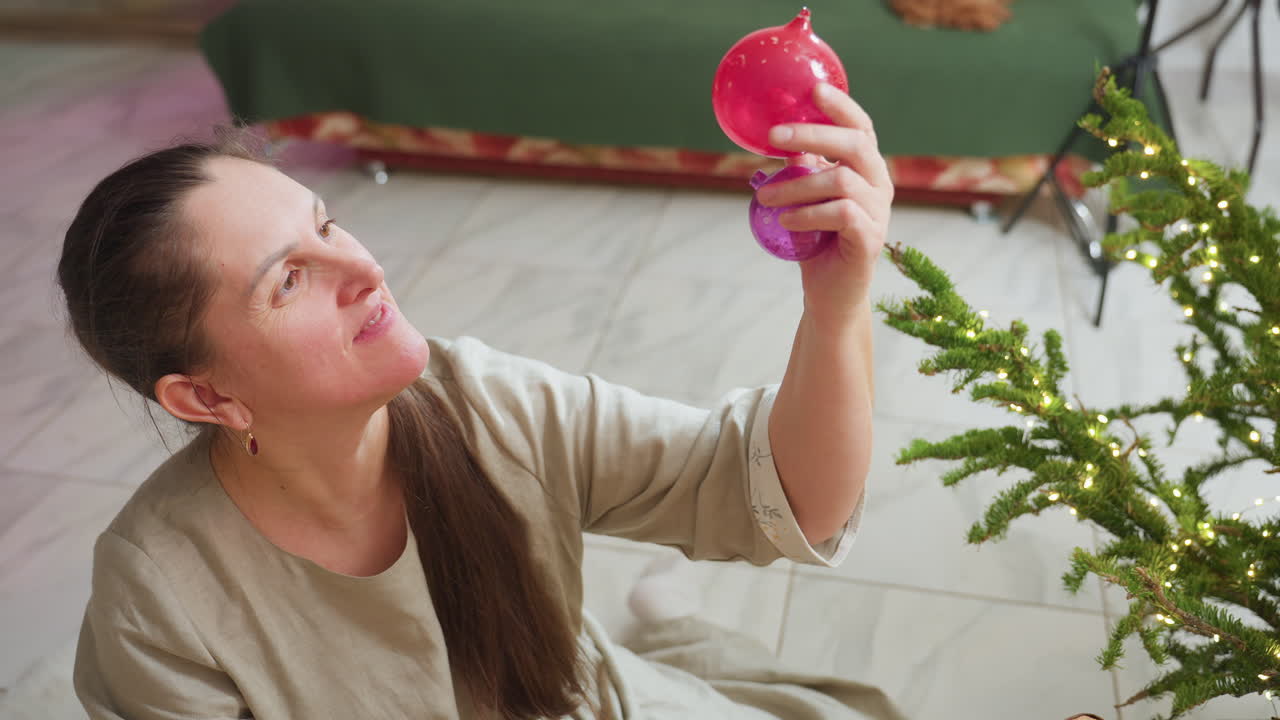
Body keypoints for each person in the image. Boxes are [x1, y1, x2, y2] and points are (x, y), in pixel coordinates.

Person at [61, 82, 902, 719]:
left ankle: (666, 631)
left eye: (325, 226)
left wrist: (835, 306)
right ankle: (670, 625)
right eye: (289, 281)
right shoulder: (160, 597)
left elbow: (788, 501)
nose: (365, 271)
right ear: (208, 395)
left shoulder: (487, 402)